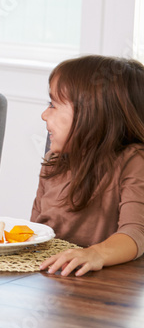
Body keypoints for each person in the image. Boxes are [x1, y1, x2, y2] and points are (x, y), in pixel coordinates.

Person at [37, 55, 144, 276]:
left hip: (102, 290)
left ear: (92, 113)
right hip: (51, 281)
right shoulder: (53, 162)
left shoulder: (134, 162)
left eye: (53, 105)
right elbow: (37, 233)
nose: (44, 115)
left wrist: (96, 254)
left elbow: (136, 232)